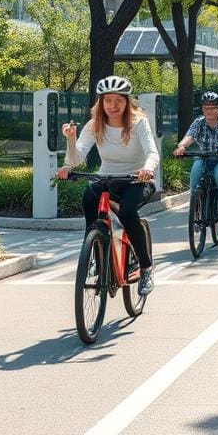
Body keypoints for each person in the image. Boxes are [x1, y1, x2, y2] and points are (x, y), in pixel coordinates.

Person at [57, 75, 159, 296]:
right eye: (107, 100)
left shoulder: (138, 122)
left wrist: (148, 168)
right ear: (100, 103)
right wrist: (70, 141)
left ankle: (146, 267)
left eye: (118, 100)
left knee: (128, 212)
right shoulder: (95, 124)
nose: (113, 106)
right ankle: (94, 252)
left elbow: (152, 152)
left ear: (127, 101)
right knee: (89, 197)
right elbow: (76, 159)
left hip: (136, 179)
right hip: (107, 177)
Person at [173, 91, 218, 227]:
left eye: (212, 107)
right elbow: (190, 136)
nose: (208, 110)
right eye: (205, 107)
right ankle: (196, 212)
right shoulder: (199, 122)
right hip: (204, 158)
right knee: (194, 181)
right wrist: (181, 147)